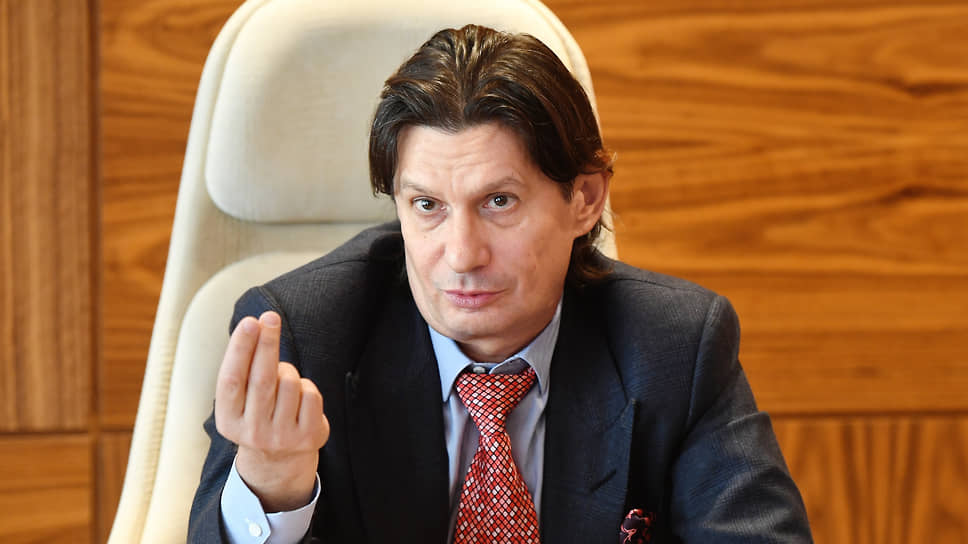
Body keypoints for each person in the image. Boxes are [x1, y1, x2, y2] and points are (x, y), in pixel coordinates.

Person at [189, 24, 813, 543]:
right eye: (427, 206)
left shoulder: (675, 347)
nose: (461, 255)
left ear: (584, 199)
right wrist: (273, 489)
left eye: (499, 202)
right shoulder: (302, 339)